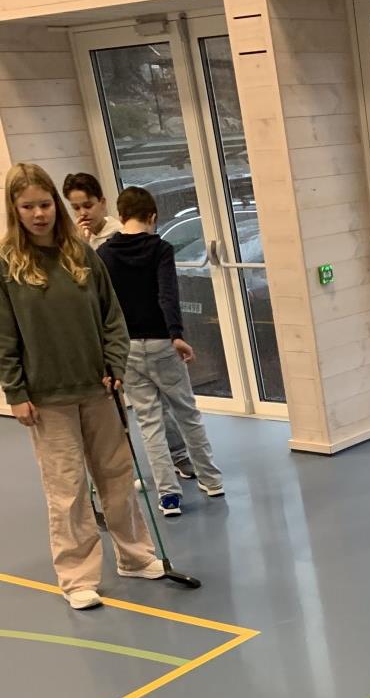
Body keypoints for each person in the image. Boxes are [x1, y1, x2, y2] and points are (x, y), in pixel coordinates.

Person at [0, 162, 164, 609]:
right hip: (47, 398)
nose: (39, 214)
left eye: (45, 204)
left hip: (99, 388)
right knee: (67, 488)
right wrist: (15, 392)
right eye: (28, 207)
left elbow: (112, 316)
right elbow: (4, 336)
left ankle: (135, 556)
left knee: (117, 476)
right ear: (15, 209)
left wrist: (116, 364)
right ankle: (77, 577)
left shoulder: (81, 253)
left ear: (56, 204)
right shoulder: (7, 265)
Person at [63, 170, 195, 486]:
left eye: (87, 205)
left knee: (152, 405)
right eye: (76, 207)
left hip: (132, 335)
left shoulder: (119, 236)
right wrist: (79, 249)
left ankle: (178, 456)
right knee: (118, 411)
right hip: (99, 336)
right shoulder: (77, 241)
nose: (82, 213)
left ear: (102, 203)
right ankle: (126, 469)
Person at [98, 185, 223, 517]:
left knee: (150, 422)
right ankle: (211, 480)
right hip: (162, 344)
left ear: (120, 216)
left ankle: (169, 497)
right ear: (152, 216)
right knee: (187, 413)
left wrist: (108, 353)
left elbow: (104, 307)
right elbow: (167, 295)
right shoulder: (161, 249)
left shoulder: (104, 254)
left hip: (127, 349)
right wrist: (176, 335)